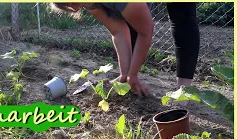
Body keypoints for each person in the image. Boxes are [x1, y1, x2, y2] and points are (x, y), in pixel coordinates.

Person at [50, 3, 200, 100]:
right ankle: (129, 78)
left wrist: (132, 74)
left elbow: (146, 31)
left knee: (182, 17)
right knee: (133, 23)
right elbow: (119, 32)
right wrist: (126, 74)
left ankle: (184, 92)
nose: (75, 9)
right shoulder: (88, 4)